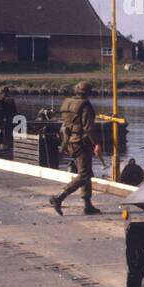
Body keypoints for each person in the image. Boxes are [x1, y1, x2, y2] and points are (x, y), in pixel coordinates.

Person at [50, 81, 102, 216]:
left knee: (85, 172)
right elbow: (88, 128)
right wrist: (96, 143)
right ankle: (59, 197)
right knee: (84, 174)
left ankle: (88, 205)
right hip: (81, 143)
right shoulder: (85, 105)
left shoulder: (67, 103)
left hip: (69, 142)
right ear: (88, 92)